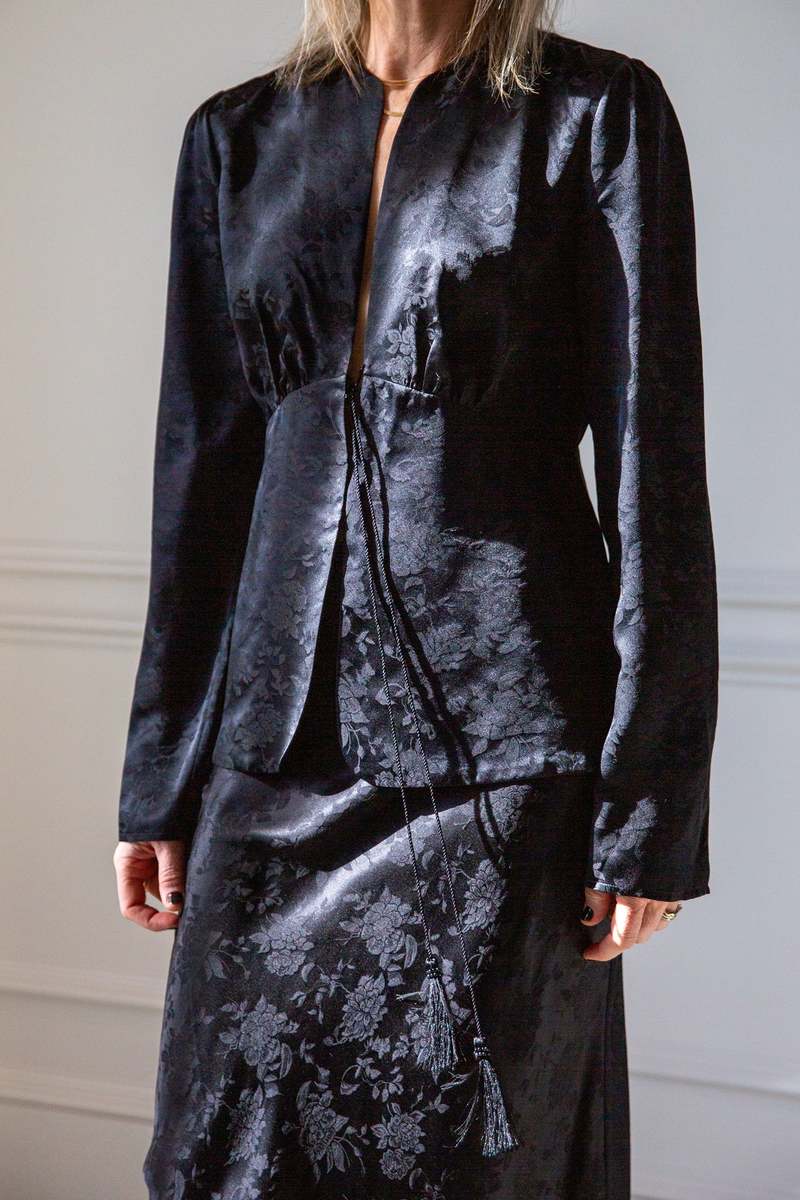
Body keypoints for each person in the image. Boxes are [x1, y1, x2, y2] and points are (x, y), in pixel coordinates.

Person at [113, 1, 719, 1196]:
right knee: (222, 1159)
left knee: (465, 1164)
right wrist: (159, 780)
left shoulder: (592, 115)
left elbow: (653, 465)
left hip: (500, 754)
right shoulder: (235, 137)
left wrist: (648, 811)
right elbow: (201, 475)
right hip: (269, 751)